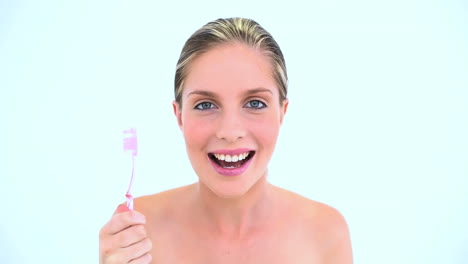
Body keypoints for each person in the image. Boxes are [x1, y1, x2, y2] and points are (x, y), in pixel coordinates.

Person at [99, 17, 353, 264]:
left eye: (255, 103)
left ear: (281, 113)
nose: (230, 132)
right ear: (179, 116)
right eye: (206, 104)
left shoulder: (325, 233)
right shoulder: (136, 231)